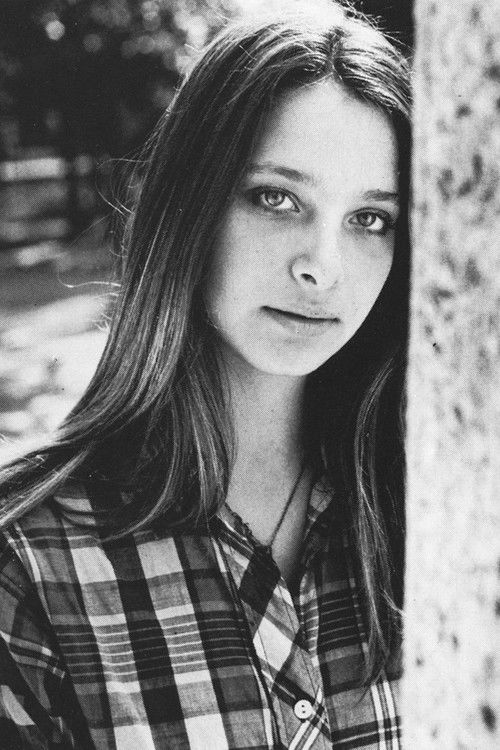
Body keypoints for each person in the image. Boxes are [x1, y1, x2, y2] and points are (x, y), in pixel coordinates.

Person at [0, 1, 410, 747]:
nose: (322, 267)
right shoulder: (31, 563)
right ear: (192, 204)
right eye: (275, 198)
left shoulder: (436, 524)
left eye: (370, 218)